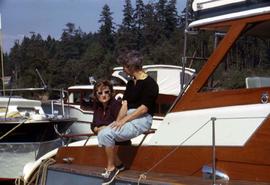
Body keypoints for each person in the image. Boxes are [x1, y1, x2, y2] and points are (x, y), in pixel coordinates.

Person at [98, 50, 159, 185]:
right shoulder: (131, 83)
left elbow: (144, 108)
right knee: (102, 133)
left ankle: (112, 168)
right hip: (129, 116)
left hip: (142, 119)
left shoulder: (150, 84)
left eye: (125, 67)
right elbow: (124, 105)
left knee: (107, 135)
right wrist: (118, 121)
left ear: (131, 67)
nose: (124, 70)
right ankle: (119, 165)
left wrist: (124, 120)